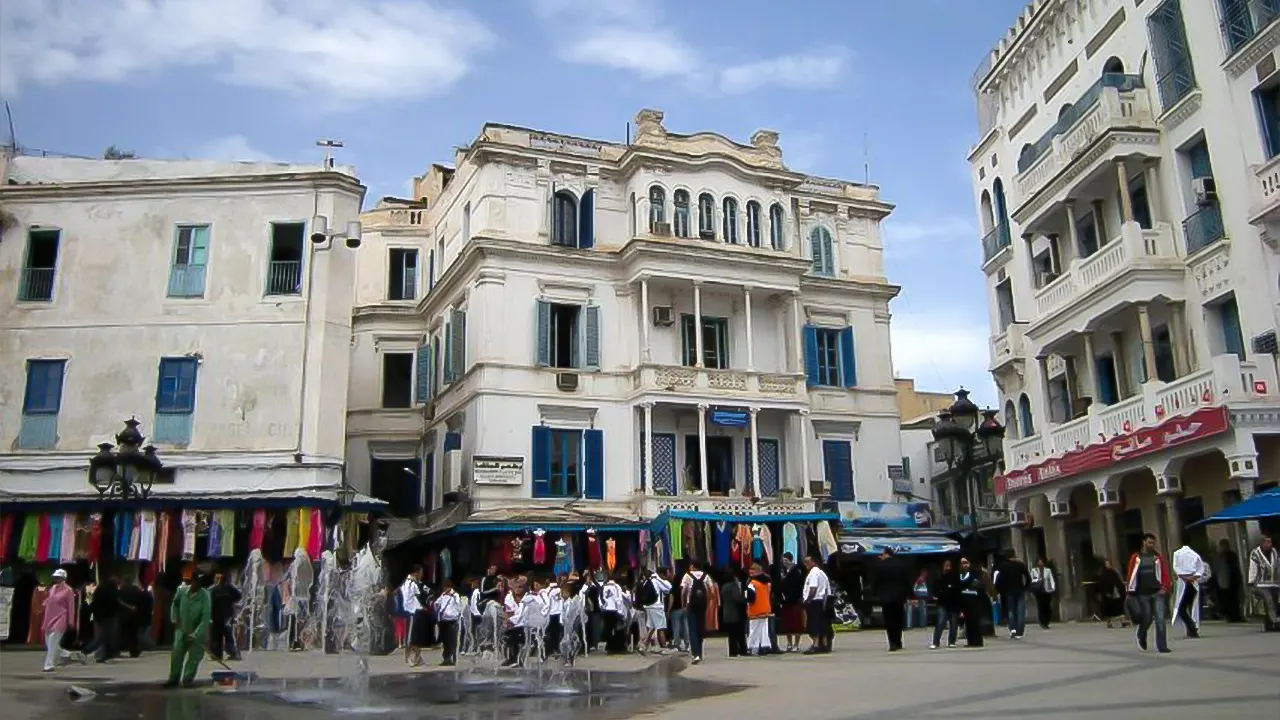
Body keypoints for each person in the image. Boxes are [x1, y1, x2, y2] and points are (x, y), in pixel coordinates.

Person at [1125, 532, 1172, 653]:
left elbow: (1164, 573)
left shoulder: (1157, 557)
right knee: (1146, 618)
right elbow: (1131, 574)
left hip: (1157, 592)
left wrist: (1164, 587)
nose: (1151, 545)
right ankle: (1141, 634)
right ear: (1144, 542)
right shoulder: (1136, 557)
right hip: (1142, 593)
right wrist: (1129, 590)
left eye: (1153, 543)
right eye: (1149, 542)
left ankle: (1162, 646)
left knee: (1160, 619)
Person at [165, 574, 211, 688]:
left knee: (194, 658)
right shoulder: (182, 592)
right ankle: (173, 679)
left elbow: (205, 617)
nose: (196, 585)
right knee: (177, 654)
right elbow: (175, 604)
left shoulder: (205, 596)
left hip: (197, 632)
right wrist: (174, 618)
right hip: (182, 629)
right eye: (195, 582)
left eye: (199, 583)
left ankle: (187, 679)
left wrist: (195, 634)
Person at [872, 548, 910, 652]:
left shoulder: (880, 566)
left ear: (885, 554)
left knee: (889, 621)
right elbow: (906, 581)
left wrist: (875, 593)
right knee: (898, 619)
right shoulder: (901, 565)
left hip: (886, 598)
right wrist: (910, 595)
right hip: (899, 597)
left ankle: (892, 643)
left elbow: (876, 582)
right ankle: (898, 641)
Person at [42, 569, 79, 672]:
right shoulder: (53, 588)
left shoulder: (68, 590)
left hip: (61, 617)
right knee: (48, 642)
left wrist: (71, 620)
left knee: (53, 641)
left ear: (63, 578)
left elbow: (71, 606)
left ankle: (49, 664)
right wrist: (44, 604)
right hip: (49, 617)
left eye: (58, 577)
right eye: (55, 577)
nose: (56, 579)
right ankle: (65, 653)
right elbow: (50, 599)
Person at [1172, 543, 1207, 639]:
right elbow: (1201, 569)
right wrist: (1194, 577)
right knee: (1193, 607)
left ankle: (1191, 627)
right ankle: (1192, 628)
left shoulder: (1177, 554)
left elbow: (1176, 568)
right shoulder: (1195, 554)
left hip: (1183, 582)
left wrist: (1184, 577)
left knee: (1181, 608)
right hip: (1193, 582)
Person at [993, 552, 1032, 639]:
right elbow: (1028, 577)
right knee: (1020, 611)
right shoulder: (1020, 565)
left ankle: (1013, 628)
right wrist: (1025, 588)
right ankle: (1020, 631)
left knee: (1011, 611)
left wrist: (1000, 591)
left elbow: (999, 580)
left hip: (1009, 592)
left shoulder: (1003, 566)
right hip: (1020, 590)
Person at [680, 560, 710, 664]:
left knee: (692, 629)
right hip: (702, 605)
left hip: (691, 605)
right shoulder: (705, 576)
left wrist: (684, 603)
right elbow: (710, 590)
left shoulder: (687, 576)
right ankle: (700, 653)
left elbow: (683, 591)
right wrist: (707, 602)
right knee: (700, 628)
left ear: (692, 566)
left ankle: (695, 654)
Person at [801, 555, 832, 654]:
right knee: (821, 623)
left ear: (813, 562)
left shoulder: (814, 573)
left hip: (815, 601)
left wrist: (808, 600)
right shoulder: (821, 573)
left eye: (807, 562)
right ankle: (822, 644)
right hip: (822, 600)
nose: (805, 565)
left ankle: (816, 644)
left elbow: (813, 588)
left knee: (813, 623)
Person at [85, 576, 121, 662]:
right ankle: (87, 650)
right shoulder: (111, 589)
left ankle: (106, 654)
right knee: (105, 636)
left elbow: (95, 602)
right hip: (108, 616)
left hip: (100, 616)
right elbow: (114, 602)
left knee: (105, 636)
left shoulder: (100, 588)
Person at [208, 570, 242, 661]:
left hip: (227, 616)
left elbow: (238, 596)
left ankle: (233, 653)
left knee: (228, 634)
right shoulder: (212, 590)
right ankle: (216, 655)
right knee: (216, 636)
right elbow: (208, 603)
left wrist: (231, 601)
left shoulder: (229, 588)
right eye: (217, 578)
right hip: (216, 617)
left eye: (220, 579)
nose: (218, 580)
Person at [1248, 534, 1279, 631]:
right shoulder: (1255, 553)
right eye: (1267, 542)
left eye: (1270, 542)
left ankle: (1269, 623)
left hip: (1274, 583)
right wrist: (1251, 582)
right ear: (1262, 543)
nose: (1270, 544)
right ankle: (1274, 622)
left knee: (1273, 602)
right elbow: (1253, 568)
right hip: (1260, 584)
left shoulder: (1274, 552)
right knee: (1268, 598)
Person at [401, 566, 429, 667]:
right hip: (412, 612)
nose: (422, 575)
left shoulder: (415, 583)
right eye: (421, 572)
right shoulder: (410, 583)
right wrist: (419, 606)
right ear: (416, 573)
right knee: (411, 636)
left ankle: (418, 657)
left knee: (417, 636)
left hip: (417, 611)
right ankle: (408, 657)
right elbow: (410, 599)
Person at [118, 578, 154, 658]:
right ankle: (134, 651)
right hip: (134, 614)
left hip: (124, 615)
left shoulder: (121, 591)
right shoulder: (136, 590)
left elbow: (119, 602)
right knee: (133, 634)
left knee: (127, 634)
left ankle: (130, 649)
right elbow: (141, 601)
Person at [777, 553, 806, 652]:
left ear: (791, 560)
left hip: (795, 601)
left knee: (797, 625)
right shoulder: (783, 571)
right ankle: (789, 643)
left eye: (786, 560)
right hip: (785, 602)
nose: (785, 563)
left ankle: (796, 644)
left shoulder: (797, 571)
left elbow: (800, 586)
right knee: (787, 625)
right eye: (783, 561)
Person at [1210, 538, 1244, 623]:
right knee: (1226, 600)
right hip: (1223, 582)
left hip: (1231, 582)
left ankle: (1235, 616)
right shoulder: (1220, 556)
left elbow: (1234, 569)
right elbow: (1216, 570)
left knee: (1233, 600)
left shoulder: (1231, 556)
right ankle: (1230, 615)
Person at [637, 569, 670, 653]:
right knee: (661, 627)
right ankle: (664, 647)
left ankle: (644, 645)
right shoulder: (656, 580)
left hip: (648, 606)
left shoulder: (646, 582)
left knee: (652, 627)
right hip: (657, 607)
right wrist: (659, 578)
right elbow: (668, 587)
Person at [930, 559, 960, 649]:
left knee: (953, 624)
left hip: (953, 604)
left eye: (949, 565)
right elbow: (934, 589)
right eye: (945, 565)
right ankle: (935, 642)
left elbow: (957, 591)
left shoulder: (955, 577)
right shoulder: (939, 577)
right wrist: (938, 594)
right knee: (940, 622)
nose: (947, 567)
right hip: (942, 603)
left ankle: (952, 641)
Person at [745, 563, 773, 656]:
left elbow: (750, 597)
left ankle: (751, 647)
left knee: (753, 629)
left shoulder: (752, 583)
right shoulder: (767, 582)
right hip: (765, 608)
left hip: (755, 609)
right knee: (763, 629)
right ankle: (765, 646)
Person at [956, 558, 984, 648]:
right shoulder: (960, 575)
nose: (964, 565)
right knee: (968, 622)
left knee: (974, 621)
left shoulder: (974, 574)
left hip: (974, 600)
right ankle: (971, 641)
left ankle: (978, 641)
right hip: (964, 601)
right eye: (962, 563)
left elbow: (978, 586)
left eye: (965, 563)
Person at [719, 569, 748, 658]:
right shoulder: (733, 586)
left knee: (731, 634)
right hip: (735, 613)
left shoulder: (723, 586)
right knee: (740, 633)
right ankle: (743, 650)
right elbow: (737, 598)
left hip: (726, 613)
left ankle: (732, 651)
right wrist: (745, 600)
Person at [433, 579, 461, 666]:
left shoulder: (455, 595)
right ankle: (446, 658)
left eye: (446, 587)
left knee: (452, 640)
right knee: (445, 641)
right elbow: (436, 604)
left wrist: (452, 596)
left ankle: (453, 658)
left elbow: (459, 606)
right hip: (444, 621)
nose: (444, 589)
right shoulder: (443, 595)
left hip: (452, 620)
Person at [1097, 559, 1127, 628]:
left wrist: (1121, 589)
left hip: (1116, 593)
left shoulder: (1113, 572)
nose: (1108, 565)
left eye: (1109, 563)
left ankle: (1123, 621)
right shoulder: (1103, 574)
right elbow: (1102, 584)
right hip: (1107, 594)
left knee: (1119, 607)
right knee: (1108, 609)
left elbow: (1118, 581)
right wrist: (1106, 592)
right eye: (1107, 564)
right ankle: (1109, 622)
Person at [600, 573, 626, 654]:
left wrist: (603, 607)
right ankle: (618, 646)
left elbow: (600, 599)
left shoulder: (603, 587)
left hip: (606, 610)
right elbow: (619, 600)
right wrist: (621, 611)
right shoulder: (616, 587)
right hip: (614, 610)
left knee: (608, 628)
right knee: (617, 628)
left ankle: (609, 646)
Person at [1029, 557, 1056, 630]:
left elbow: (1051, 579)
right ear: (1037, 563)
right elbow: (1031, 580)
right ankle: (1042, 622)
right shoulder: (1034, 570)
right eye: (1039, 562)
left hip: (1047, 590)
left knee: (1047, 606)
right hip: (1038, 591)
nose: (1040, 563)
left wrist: (1053, 588)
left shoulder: (1048, 570)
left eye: (1042, 562)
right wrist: (1038, 579)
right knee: (1041, 607)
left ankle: (1047, 621)